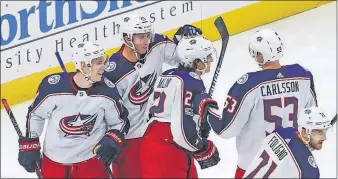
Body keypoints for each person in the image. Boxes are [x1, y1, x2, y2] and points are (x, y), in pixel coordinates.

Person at [196, 28, 318, 178]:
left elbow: (226, 130)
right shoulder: (303, 76)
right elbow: (312, 120)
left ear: (260, 56)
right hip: (291, 165)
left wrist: (208, 110)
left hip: (254, 168)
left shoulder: (248, 85)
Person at [103, 13, 203, 178]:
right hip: (130, 140)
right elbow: (109, 114)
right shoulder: (113, 73)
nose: (146, 41)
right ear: (127, 38)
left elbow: (186, 61)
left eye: (147, 35)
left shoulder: (156, 44)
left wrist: (186, 42)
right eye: (140, 37)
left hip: (158, 130)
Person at [17, 42, 130, 178]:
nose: (103, 68)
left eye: (103, 62)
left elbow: (120, 121)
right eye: (98, 63)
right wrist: (31, 142)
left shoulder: (107, 91)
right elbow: (36, 114)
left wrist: (112, 138)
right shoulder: (52, 88)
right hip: (54, 165)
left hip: (92, 165)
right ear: (83, 65)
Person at [140, 35, 221, 178]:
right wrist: (201, 147)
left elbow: (149, 112)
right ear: (196, 61)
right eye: (207, 57)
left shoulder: (167, 74)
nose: (210, 60)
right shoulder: (192, 81)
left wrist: (197, 123)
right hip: (169, 147)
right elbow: (181, 133)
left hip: (151, 141)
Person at [243, 106, 336, 178]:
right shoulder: (309, 171)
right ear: (304, 132)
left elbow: (291, 151)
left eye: (323, 131)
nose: (324, 137)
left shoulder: (281, 132)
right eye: (318, 131)